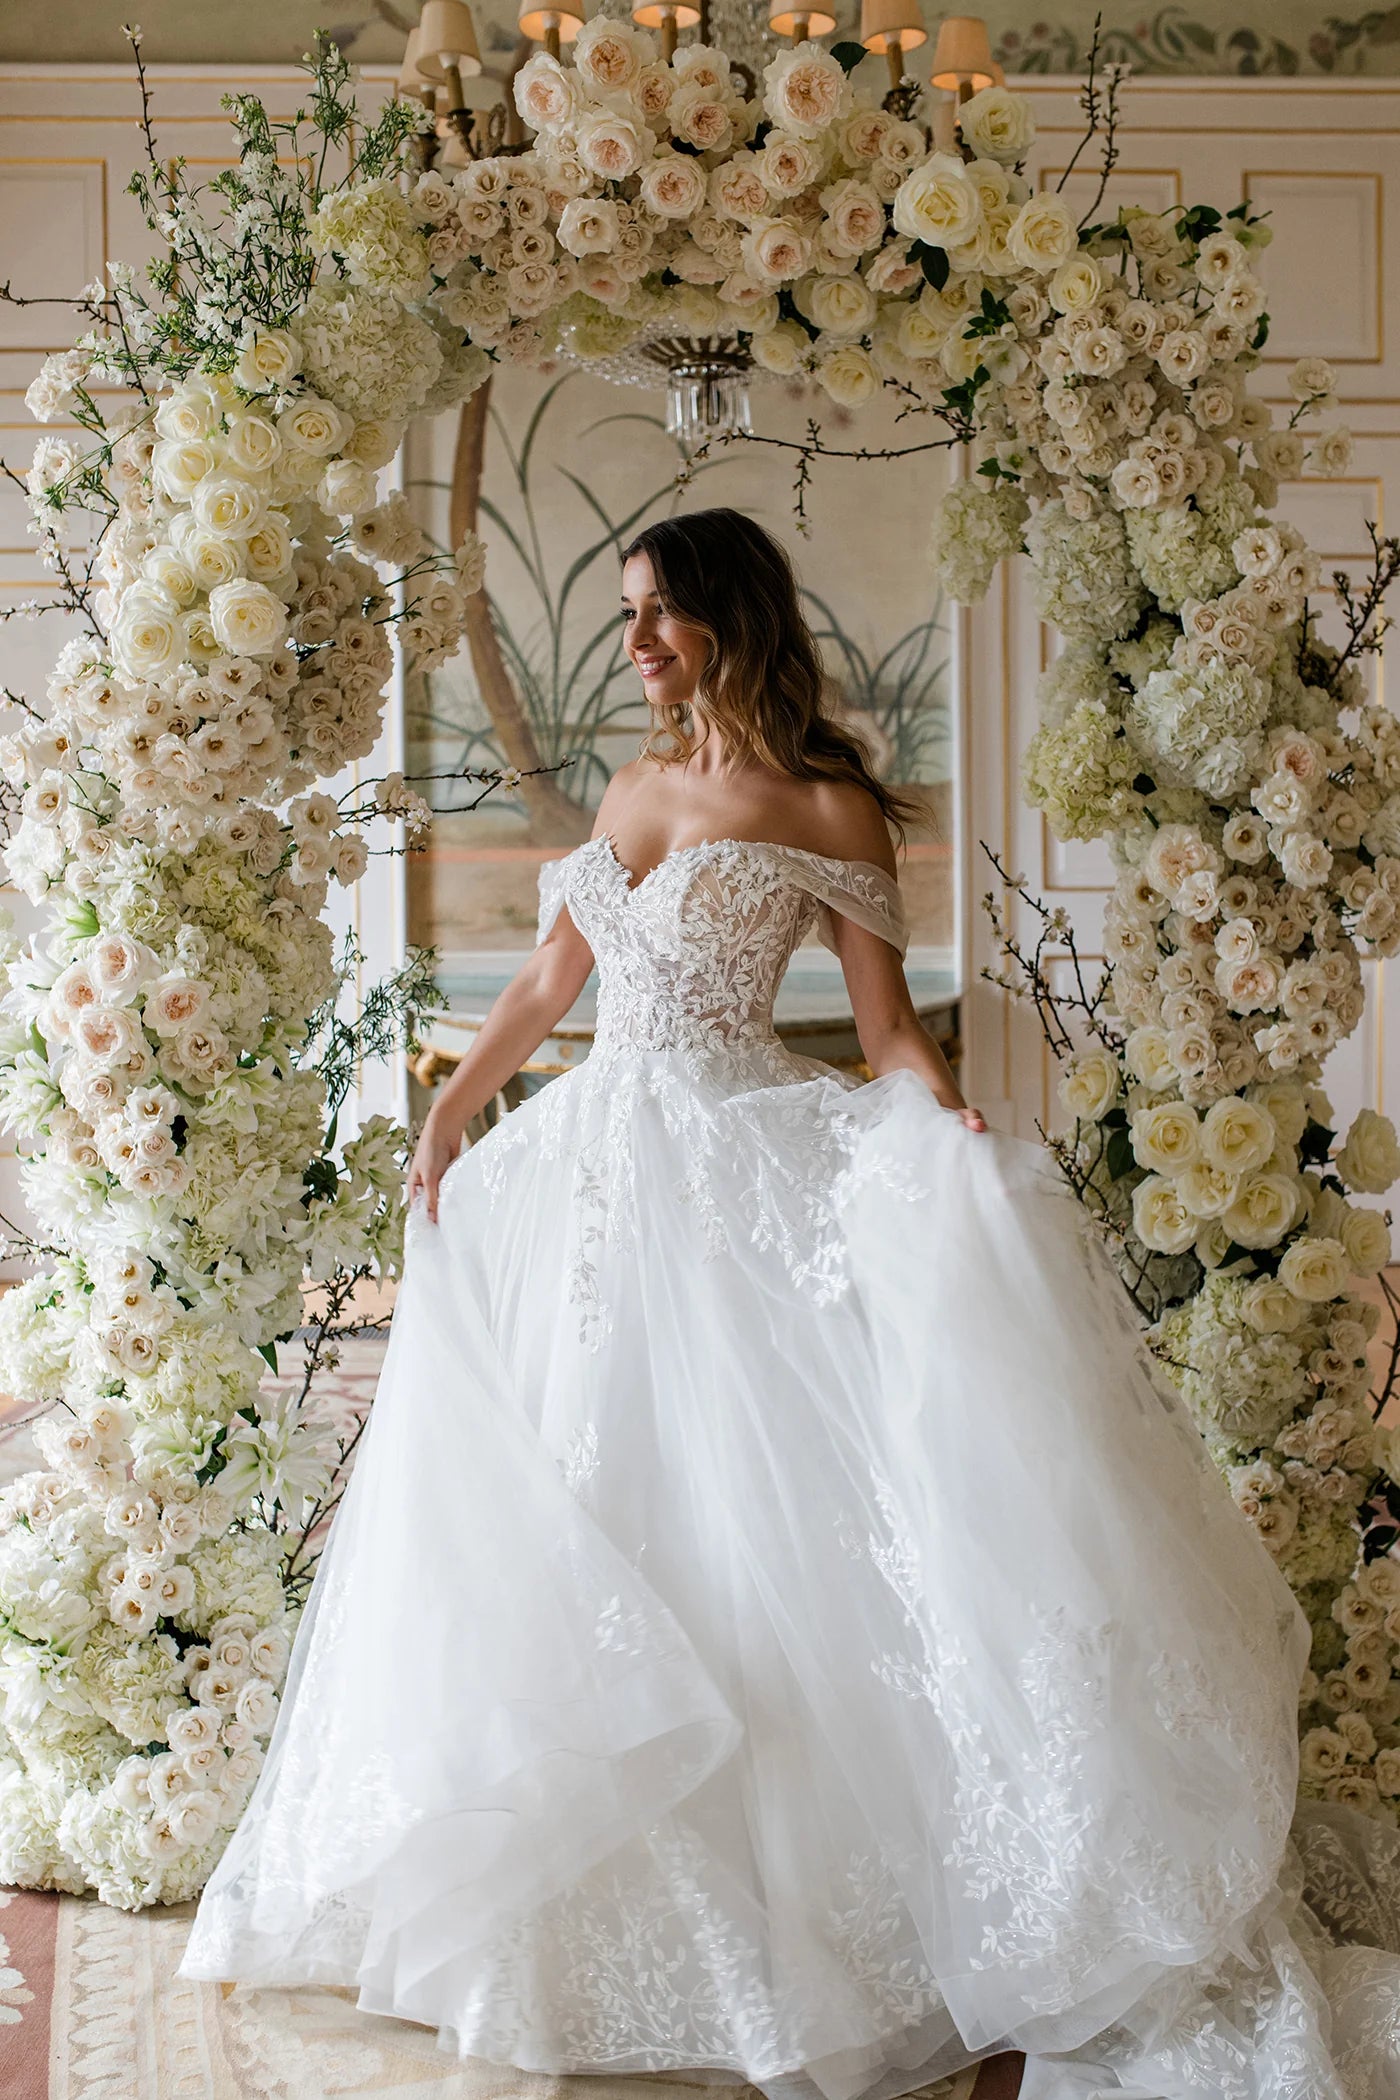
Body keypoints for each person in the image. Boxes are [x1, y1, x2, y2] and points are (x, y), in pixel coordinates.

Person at [178, 509, 1400, 2100]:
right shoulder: (633, 786)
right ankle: (549, 1871)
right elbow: (554, 978)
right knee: (558, 1483)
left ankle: (788, 1892)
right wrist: (455, 1106)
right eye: (625, 617)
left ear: (728, 619)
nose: (635, 648)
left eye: (658, 618)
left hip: (735, 1164)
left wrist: (943, 1122)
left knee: (759, 1511)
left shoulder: (827, 806)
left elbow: (884, 1028)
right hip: (592, 1166)